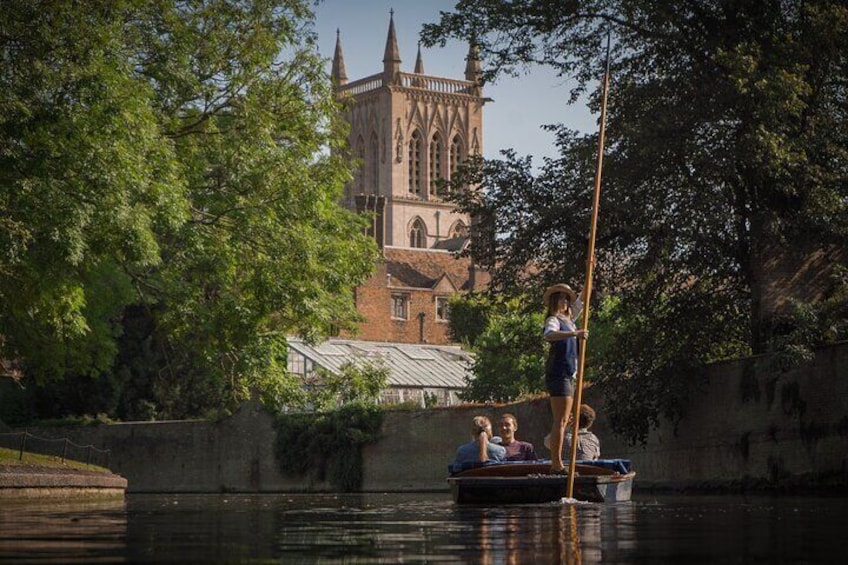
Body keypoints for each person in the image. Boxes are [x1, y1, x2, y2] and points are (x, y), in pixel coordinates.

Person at [543, 283, 588, 474]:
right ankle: (557, 464)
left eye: (567, 298)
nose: (566, 301)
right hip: (559, 373)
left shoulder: (569, 318)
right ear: (555, 301)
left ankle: (558, 463)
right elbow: (549, 335)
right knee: (560, 420)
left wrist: (591, 268)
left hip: (568, 373)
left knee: (564, 419)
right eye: (562, 298)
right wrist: (574, 334)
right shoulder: (554, 320)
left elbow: (583, 298)